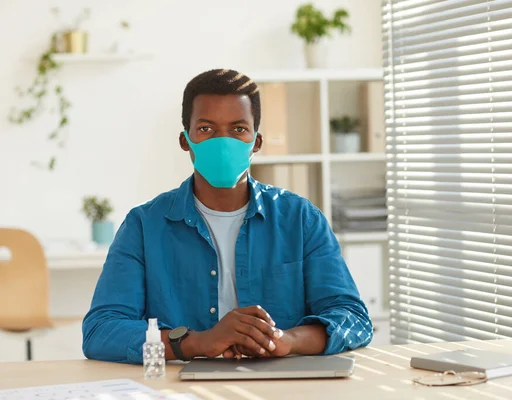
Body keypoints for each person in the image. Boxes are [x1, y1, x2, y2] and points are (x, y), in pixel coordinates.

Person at [82, 68, 373, 364]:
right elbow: (101, 332)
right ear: (186, 140)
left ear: (256, 142)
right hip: (179, 389)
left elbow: (353, 320)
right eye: (206, 129)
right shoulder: (143, 226)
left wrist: (287, 340)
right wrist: (198, 342)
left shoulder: (300, 219)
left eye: (238, 130)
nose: (223, 143)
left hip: (283, 386)